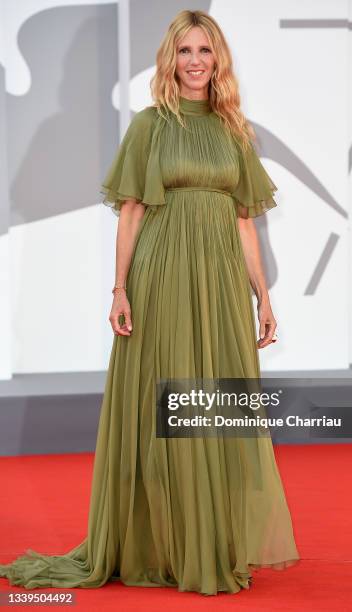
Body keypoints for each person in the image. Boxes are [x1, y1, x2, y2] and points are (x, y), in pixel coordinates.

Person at [0, 9, 299, 595]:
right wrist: (119, 288)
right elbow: (132, 212)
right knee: (166, 406)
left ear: (219, 62)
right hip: (161, 275)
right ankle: (162, 546)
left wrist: (263, 296)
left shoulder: (236, 130)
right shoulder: (148, 125)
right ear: (170, 60)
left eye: (205, 52)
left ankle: (210, 541)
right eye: (185, 51)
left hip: (218, 284)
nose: (195, 62)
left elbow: (245, 223)